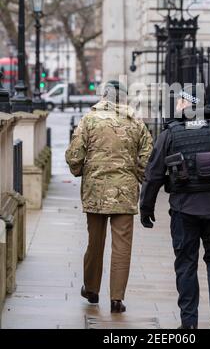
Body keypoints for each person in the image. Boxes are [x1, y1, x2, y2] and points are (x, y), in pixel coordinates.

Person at [140, 85, 210, 329]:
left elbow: (153, 174)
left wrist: (146, 208)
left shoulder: (170, 134)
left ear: (186, 104)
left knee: (186, 263)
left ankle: (188, 323)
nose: (176, 105)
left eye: (179, 102)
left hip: (184, 209)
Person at [65, 80, 153, 312]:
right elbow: (147, 159)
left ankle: (91, 289)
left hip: (95, 191)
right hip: (124, 191)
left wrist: (79, 171)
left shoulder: (90, 119)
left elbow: (75, 154)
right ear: (123, 98)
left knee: (95, 242)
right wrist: (139, 177)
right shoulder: (136, 122)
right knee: (122, 246)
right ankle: (116, 299)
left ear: (104, 96)